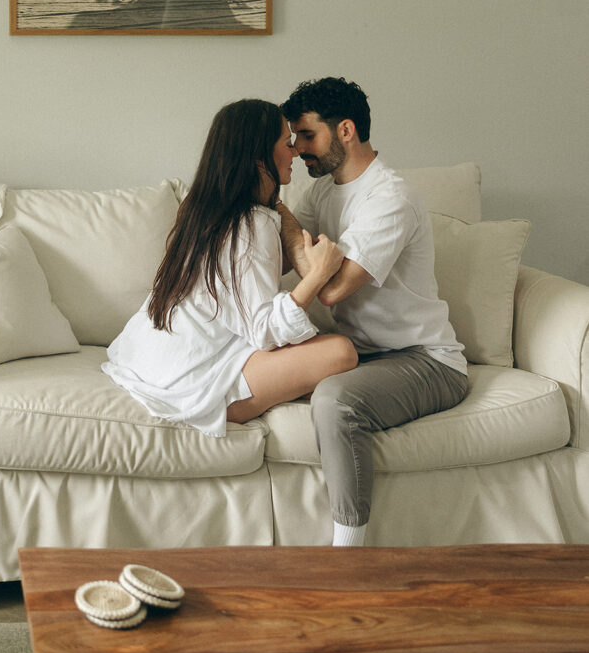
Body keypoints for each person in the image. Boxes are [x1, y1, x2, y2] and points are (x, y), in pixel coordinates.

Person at [279, 77, 469, 546]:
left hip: (426, 360)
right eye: (295, 138)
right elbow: (287, 252)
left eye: (308, 135)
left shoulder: (390, 197)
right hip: (358, 354)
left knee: (334, 402)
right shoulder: (323, 193)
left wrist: (294, 235)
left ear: (345, 131)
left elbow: (333, 289)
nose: (298, 148)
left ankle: (349, 557)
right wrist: (271, 204)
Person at [102, 99, 358, 438]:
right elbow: (264, 331)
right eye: (285, 143)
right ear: (258, 158)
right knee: (341, 352)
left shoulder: (211, 209)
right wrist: (318, 275)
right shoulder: (249, 227)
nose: (295, 151)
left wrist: (271, 196)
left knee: (325, 358)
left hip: (153, 360)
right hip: (193, 379)